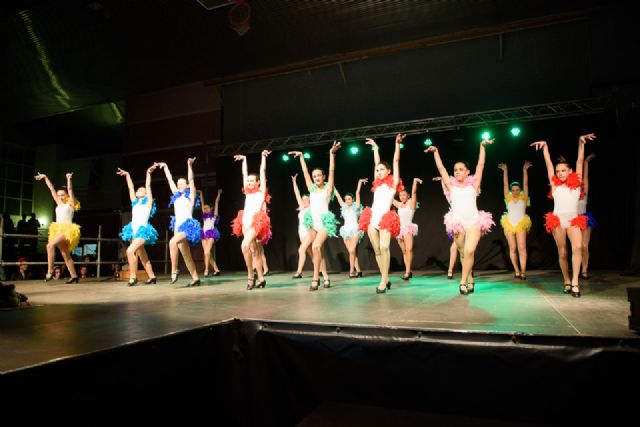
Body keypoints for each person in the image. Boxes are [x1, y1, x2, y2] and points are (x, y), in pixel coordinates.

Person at [425, 138, 495, 295]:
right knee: (463, 253)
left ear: (467, 172)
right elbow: (441, 168)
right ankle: (469, 278)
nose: (457, 172)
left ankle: (462, 282)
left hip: (473, 222)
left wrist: (482, 147)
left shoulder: (474, 185)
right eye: (455, 170)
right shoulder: (451, 186)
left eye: (461, 169)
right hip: (457, 223)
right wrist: (436, 153)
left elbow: (481, 165)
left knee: (470, 251)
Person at [530, 133, 595, 297]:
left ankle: (575, 282)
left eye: (563, 170)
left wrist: (581, 143)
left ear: (570, 171)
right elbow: (548, 164)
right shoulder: (555, 185)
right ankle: (566, 280)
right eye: (558, 171)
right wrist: (545, 147)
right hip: (558, 221)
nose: (560, 173)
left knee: (578, 247)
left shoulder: (577, 184)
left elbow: (580, 161)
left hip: (573, 220)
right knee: (563, 252)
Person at [289, 142, 341, 291]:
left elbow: (332, 170)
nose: (316, 178)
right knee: (317, 252)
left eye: (319, 175)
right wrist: (301, 158)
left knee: (316, 246)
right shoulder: (311, 188)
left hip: (325, 222)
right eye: (315, 176)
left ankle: (315, 278)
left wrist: (331, 154)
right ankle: (325, 277)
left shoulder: (328, 188)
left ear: (323, 177)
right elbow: (305, 173)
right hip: (313, 222)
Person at [358, 134, 405, 294]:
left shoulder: (393, 184)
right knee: (377, 250)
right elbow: (375, 162)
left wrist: (397, 145)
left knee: (385, 247)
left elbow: (396, 161)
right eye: (377, 170)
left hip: (386, 218)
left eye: (381, 169)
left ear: (389, 171)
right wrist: (375, 148)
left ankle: (384, 280)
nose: (378, 172)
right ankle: (385, 279)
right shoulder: (376, 184)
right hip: (372, 218)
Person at [157, 159, 201, 287]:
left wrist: (189, 165)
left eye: (182, 183)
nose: (180, 185)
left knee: (171, 242)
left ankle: (174, 270)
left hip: (188, 226)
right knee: (186, 254)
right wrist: (165, 167)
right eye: (178, 183)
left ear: (186, 185)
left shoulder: (191, 196)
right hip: (177, 226)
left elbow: (191, 180)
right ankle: (195, 278)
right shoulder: (176, 196)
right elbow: (170, 180)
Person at [231, 151, 272, 290]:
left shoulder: (261, 192)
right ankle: (261, 278)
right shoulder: (247, 192)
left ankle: (250, 275)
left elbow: (262, 171)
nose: (249, 183)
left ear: (258, 182)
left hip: (256, 222)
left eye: (252, 181)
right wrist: (244, 160)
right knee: (254, 251)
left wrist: (263, 157)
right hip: (245, 222)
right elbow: (244, 174)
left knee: (244, 246)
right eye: (248, 181)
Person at [35, 172, 81, 284]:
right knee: (65, 255)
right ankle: (74, 276)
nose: (60, 196)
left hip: (68, 230)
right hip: (58, 230)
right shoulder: (58, 203)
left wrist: (68, 179)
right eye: (59, 195)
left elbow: (70, 189)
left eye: (62, 194)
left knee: (50, 245)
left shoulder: (70, 203)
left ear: (67, 195)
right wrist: (45, 177)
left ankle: (50, 271)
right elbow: (51, 189)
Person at [117, 165, 159, 286]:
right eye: (138, 190)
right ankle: (152, 276)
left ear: (146, 194)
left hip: (143, 231)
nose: (138, 191)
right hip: (133, 230)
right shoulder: (135, 202)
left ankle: (133, 276)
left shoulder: (148, 203)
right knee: (142, 255)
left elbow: (148, 186)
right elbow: (130, 187)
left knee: (130, 251)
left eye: (141, 190)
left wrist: (148, 173)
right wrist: (128, 175)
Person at [497, 161, 532, 279]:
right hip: (509, 224)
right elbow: (505, 185)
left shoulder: (524, 198)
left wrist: (524, 171)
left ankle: (523, 271)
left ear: (520, 190)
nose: (515, 191)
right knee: (512, 248)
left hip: (521, 224)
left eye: (517, 189)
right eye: (513, 190)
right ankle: (516, 270)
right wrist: (505, 171)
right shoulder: (508, 198)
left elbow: (526, 184)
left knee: (521, 247)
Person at [291, 174, 329, 279]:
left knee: (302, 250)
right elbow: (297, 194)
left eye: (306, 199)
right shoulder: (302, 207)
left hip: (311, 231)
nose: (304, 201)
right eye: (303, 199)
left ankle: (299, 272)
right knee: (313, 254)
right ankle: (320, 270)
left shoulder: (312, 207)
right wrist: (294, 182)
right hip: (301, 233)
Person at [335, 178, 368, 278]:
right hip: (345, 230)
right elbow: (337, 195)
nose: (347, 201)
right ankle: (358, 270)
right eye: (346, 199)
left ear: (352, 199)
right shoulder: (344, 207)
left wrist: (359, 183)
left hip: (355, 229)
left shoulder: (356, 207)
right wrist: (331, 186)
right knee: (351, 251)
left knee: (352, 250)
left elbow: (357, 193)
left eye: (349, 199)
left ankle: (351, 271)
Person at [392, 178, 422, 280]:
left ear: (408, 195)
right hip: (399, 229)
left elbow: (414, 192)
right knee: (404, 251)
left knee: (409, 249)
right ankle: (407, 271)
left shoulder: (411, 203)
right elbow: (390, 198)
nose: (402, 197)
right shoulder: (399, 205)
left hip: (408, 228)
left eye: (404, 195)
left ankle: (408, 271)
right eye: (400, 195)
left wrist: (414, 182)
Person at [580, 153, 597, 279]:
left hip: (585, 219)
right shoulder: (571, 192)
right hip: (574, 220)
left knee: (585, 246)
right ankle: (577, 267)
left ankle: (584, 270)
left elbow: (585, 177)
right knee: (578, 246)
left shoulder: (584, 191)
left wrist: (586, 162)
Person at [199, 189, 222, 277]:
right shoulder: (204, 215)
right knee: (207, 253)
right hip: (204, 233)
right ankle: (216, 270)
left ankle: (206, 270)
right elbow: (202, 202)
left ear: (210, 208)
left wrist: (219, 194)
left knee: (207, 252)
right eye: (204, 208)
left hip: (211, 233)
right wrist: (201, 193)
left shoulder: (214, 215)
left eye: (207, 208)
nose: (205, 209)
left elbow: (216, 202)